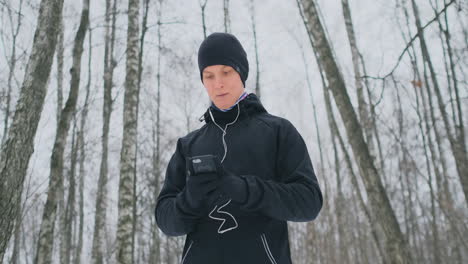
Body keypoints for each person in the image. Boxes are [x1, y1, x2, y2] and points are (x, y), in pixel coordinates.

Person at [155, 32, 322, 264]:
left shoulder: (277, 131)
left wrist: (244, 189)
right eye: (209, 76)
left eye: (226, 72)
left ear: (241, 73)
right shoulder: (188, 145)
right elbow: (166, 221)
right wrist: (190, 200)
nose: (218, 83)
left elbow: (309, 202)